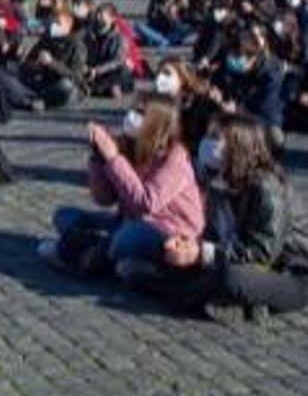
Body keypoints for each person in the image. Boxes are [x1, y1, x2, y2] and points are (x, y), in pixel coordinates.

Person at [148, 113, 308, 320]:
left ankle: (202, 296)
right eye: (208, 135)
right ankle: (237, 304)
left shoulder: (268, 189)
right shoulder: (219, 181)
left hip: (291, 272)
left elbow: (261, 253)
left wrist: (201, 253)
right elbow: (215, 238)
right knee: (167, 256)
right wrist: (189, 246)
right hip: (238, 261)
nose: (207, 142)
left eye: (216, 137)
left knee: (231, 278)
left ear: (238, 146)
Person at [38, 96, 203, 273]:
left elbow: (146, 203)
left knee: (125, 239)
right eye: (133, 110)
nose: (132, 117)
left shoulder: (175, 159)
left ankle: (86, 256)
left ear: (156, 124)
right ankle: (98, 252)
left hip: (169, 232)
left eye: (140, 113)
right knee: (64, 216)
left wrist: (113, 158)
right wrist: (98, 159)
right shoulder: (131, 146)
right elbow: (104, 198)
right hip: (128, 221)